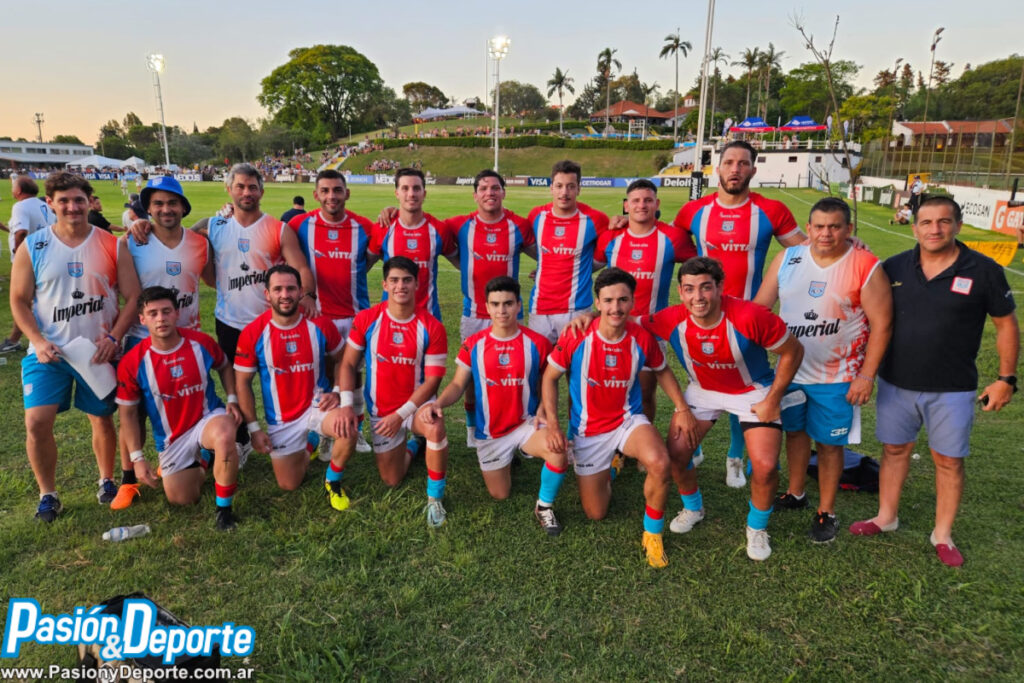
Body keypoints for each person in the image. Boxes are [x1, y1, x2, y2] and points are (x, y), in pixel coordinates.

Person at [849, 197, 1019, 567]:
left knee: (948, 460)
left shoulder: (984, 270)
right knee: (894, 450)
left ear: (958, 225)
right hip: (896, 382)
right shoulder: (894, 267)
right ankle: (886, 517)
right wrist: (853, 244)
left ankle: (942, 534)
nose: (935, 229)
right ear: (914, 228)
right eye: (926, 222)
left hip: (953, 387)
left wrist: (1005, 378)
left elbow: (1006, 324)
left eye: (943, 221)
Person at [753, 197, 892, 543]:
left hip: (838, 376)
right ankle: (796, 492)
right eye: (819, 226)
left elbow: (883, 324)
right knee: (795, 433)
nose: (825, 233)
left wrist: (866, 376)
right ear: (809, 228)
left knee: (830, 445)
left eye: (834, 227)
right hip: (790, 372)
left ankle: (826, 511)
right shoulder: (788, 258)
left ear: (849, 229)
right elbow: (760, 308)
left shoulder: (865, 264)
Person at [646, 257, 804, 561]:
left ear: (720, 287)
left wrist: (773, 399)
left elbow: (793, 351)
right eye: (689, 289)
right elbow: (626, 322)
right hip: (703, 390)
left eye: (706, 287)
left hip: (751, 391)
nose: (698, 297)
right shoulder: (671, 318)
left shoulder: (750, 315)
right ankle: (694, 508)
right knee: (677, 453)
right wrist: (588, 318)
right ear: (680, 292)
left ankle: (756, 527)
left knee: (765, 466)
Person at [672, 140, 805, 488]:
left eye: (743, 163)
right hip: (701, 313)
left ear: (753, 170)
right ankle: (696, 444)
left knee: (742, 384)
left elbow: (808, 250)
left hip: (749, 317)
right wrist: (623, 221)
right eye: (729, 162)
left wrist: (849, 247)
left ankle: (734, 456)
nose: (735, 169)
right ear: (718, 168)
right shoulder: (694, 211)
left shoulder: (771, 210)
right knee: (703, 375)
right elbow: (665, 240)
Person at [542, 268, 695, 568]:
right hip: (588, 430)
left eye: (623, 300)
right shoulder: (576, 335)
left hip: (628, 420)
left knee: (660, 462)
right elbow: (549, 378)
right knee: (596, 512)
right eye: (609, 300)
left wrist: (682, 408)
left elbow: (662, 370)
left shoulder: (641, 337)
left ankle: (652, 534)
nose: (616, 307)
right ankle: (610, 468)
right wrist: (554, 426)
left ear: (632, 302)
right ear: (597, 303)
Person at [9, 172, 138, 522]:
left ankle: (106, 480)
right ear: (49, 203)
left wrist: (113, 338)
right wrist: (37, 341)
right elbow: (18, 300)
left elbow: (133, 297)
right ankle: (48, 494)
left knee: (102, 418)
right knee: (36, 422)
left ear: (89, 201)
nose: (72, 207)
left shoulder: (112, 244)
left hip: (98, 351)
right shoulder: (34, 245)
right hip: (49, 352)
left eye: (79, 200)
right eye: (63, 200)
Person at [423, 276, 568, 535]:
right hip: (491, 433)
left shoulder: (537, 343)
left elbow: (547, 382)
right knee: (500, 493)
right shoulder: (473, 344)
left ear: (518, 305)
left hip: (526, 424)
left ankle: (543, 507)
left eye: (508, 303)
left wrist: (543, 410)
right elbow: (457, 384)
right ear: (487, 307)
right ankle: (510, 457)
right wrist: (438, 403)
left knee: (558, 450)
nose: (502, 310)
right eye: (496, 304)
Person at [320, 257, 450, 527]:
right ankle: (416, 444)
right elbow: (348, 364)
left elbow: (433, 382)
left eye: (407, 280)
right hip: (382, 410)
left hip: (416, 406)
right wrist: (347, 405)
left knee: (435, 426)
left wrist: (401, 415)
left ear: (417, 284)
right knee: (392, 479)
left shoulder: (432, 326)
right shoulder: (368, 319)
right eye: (394, 280)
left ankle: (435, 498)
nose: (400, 286)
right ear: (385, 285)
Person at [111, 175, 214, 509]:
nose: (166, 209)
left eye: (172, 203)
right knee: (134, 411)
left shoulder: (200, 243)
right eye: (157, 204)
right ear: (148, 208)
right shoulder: (132, 242)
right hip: (143, 339)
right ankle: (128, 478)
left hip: (187, 341)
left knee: (191, 404)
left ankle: (192, 457)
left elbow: (213, 280)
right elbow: (125, 292)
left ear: (183, 207)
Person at [115, 287, 242, 530]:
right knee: (182, 499)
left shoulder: (201, 342)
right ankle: (204, 458)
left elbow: (225, 366)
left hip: (208, 418)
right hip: (172, 437)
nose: (160, 318)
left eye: (166, 311)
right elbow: (128, 414)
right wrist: (137, 459)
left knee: (225, 434)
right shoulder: (133, 362)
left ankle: (224, 511)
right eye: (153, 313)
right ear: (142, 319)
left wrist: (232, 398)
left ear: (177, 313)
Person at [288, 169, 376, 454]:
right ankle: (327, 430)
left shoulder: (364, 227)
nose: (331, 196)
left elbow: (374, 256)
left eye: (337, 190)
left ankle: (356, 429)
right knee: (324, 375)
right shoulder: (300, 225)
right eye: (325, 191)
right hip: (317, 316)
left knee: (354, 374)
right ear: (316, 195)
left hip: (355, 315)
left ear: (347, 193)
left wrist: (389, 211)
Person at [234, 265, 344, 491]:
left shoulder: (320, 324)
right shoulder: (253, 332)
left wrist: (337, 391)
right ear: (267, 294)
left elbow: (344, 360)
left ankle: (332, 481)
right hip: (282, 419)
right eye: (278, 289)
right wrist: (254, 429)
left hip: (319, 404)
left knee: (347, 427)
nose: (285, 295)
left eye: (291, 289)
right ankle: (312, 441)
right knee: (289, 484)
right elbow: (242, 383)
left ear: (301, 291)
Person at [595, 178, 694, 421]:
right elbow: (588, 265)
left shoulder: (673, 237)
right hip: (613, 327)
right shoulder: (610, 237)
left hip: (652, 330)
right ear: (626, 205)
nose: (642, 205)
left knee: (645, 393)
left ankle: (644, 433)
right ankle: (612, 436)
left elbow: (699, 265)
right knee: (610, 390)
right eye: (636, 201)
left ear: (656, 204)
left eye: (648, 200)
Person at [526, 160, 610, 344]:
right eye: (559, 186)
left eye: (571, 186)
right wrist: (545, 267)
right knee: (539, 361)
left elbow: (611, 246)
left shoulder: (595, 219)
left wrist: (623, 218)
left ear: (579, 189)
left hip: (577, 309)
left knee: (576, 361)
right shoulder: (536, 216)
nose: (564, 192)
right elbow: (530, 246)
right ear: (551, 188)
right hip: (540, 308)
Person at [369, 168, 455, 321]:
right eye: (405, 188)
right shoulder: (383, 228)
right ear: (397, 193)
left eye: (416, 188)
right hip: (390, 319)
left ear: (424, 193)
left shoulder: (439, 230)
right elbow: (362, 267)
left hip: (428, 318)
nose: (411, 194)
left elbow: (463, 263)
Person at [0, 176, 55, 353]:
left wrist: (18, 255)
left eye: (13, 188)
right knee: (38, 299)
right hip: (46, 256)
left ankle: (14, 340)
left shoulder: (20, 206)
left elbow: (21, 232)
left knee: (22, 301)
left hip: (30, 259)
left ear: (18, 191)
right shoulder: (43, 205)